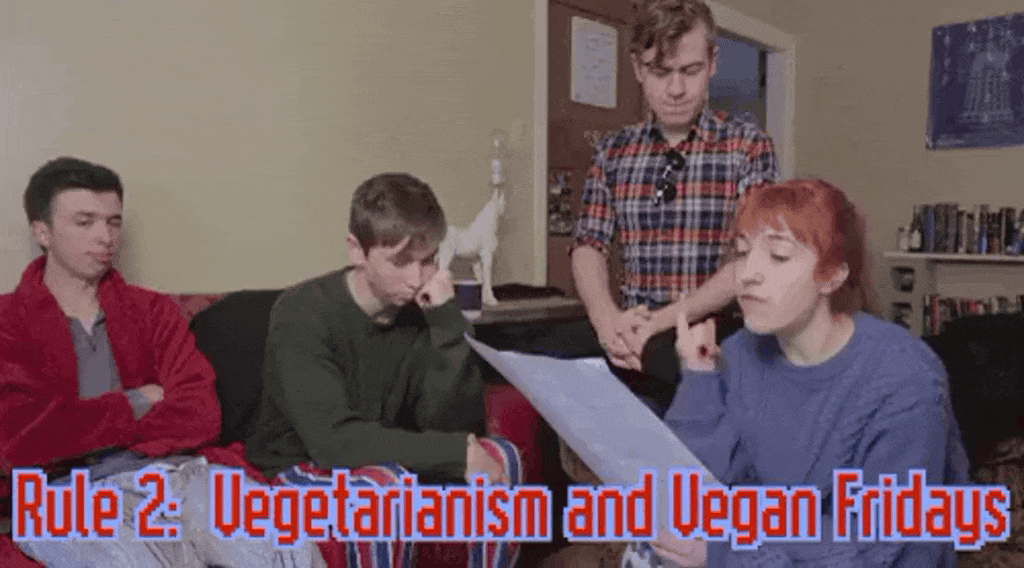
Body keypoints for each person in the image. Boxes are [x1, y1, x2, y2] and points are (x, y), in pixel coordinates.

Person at [0, 157, 323, 567]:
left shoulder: (153, 312)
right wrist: (136, 401)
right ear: (42, 232)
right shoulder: (7, 322)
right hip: (63, 495)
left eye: (113, 222)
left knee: (283, 549)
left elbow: (200, 415)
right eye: (84, 222)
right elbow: (20, 440)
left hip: (175, 475)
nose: (104, 236)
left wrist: (79, 426)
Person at [648, 179, 971, 567]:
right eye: (743, 253)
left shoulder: (906, 379)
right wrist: (700, 375)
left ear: (832, 276)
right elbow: (691, 489)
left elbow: (881, 546)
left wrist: (725, 553)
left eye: (778, 256)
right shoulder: (737, 353)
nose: (747, 274)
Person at [244, 172, 521, 568]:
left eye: (428, 260)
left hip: (388, 455)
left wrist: (447, 323)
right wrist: (453, 453)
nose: (416, 279)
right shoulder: (302, 312)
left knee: (502, 455)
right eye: (400, 262)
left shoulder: (425, 310)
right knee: (384, 491)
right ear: (357, 251)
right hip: (299, 463)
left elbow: (457, 426)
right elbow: (332, 442)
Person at [571, 0, 780, 413]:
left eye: (690, 70)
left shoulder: (748, 145)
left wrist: (661, 322)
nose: (676, 89)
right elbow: (588, 244)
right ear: (638, 68)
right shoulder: (612, 151)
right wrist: (606, 320)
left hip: (718, 351)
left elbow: (751, 259)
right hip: (631, 353)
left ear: (713, 62)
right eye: (660, 72)